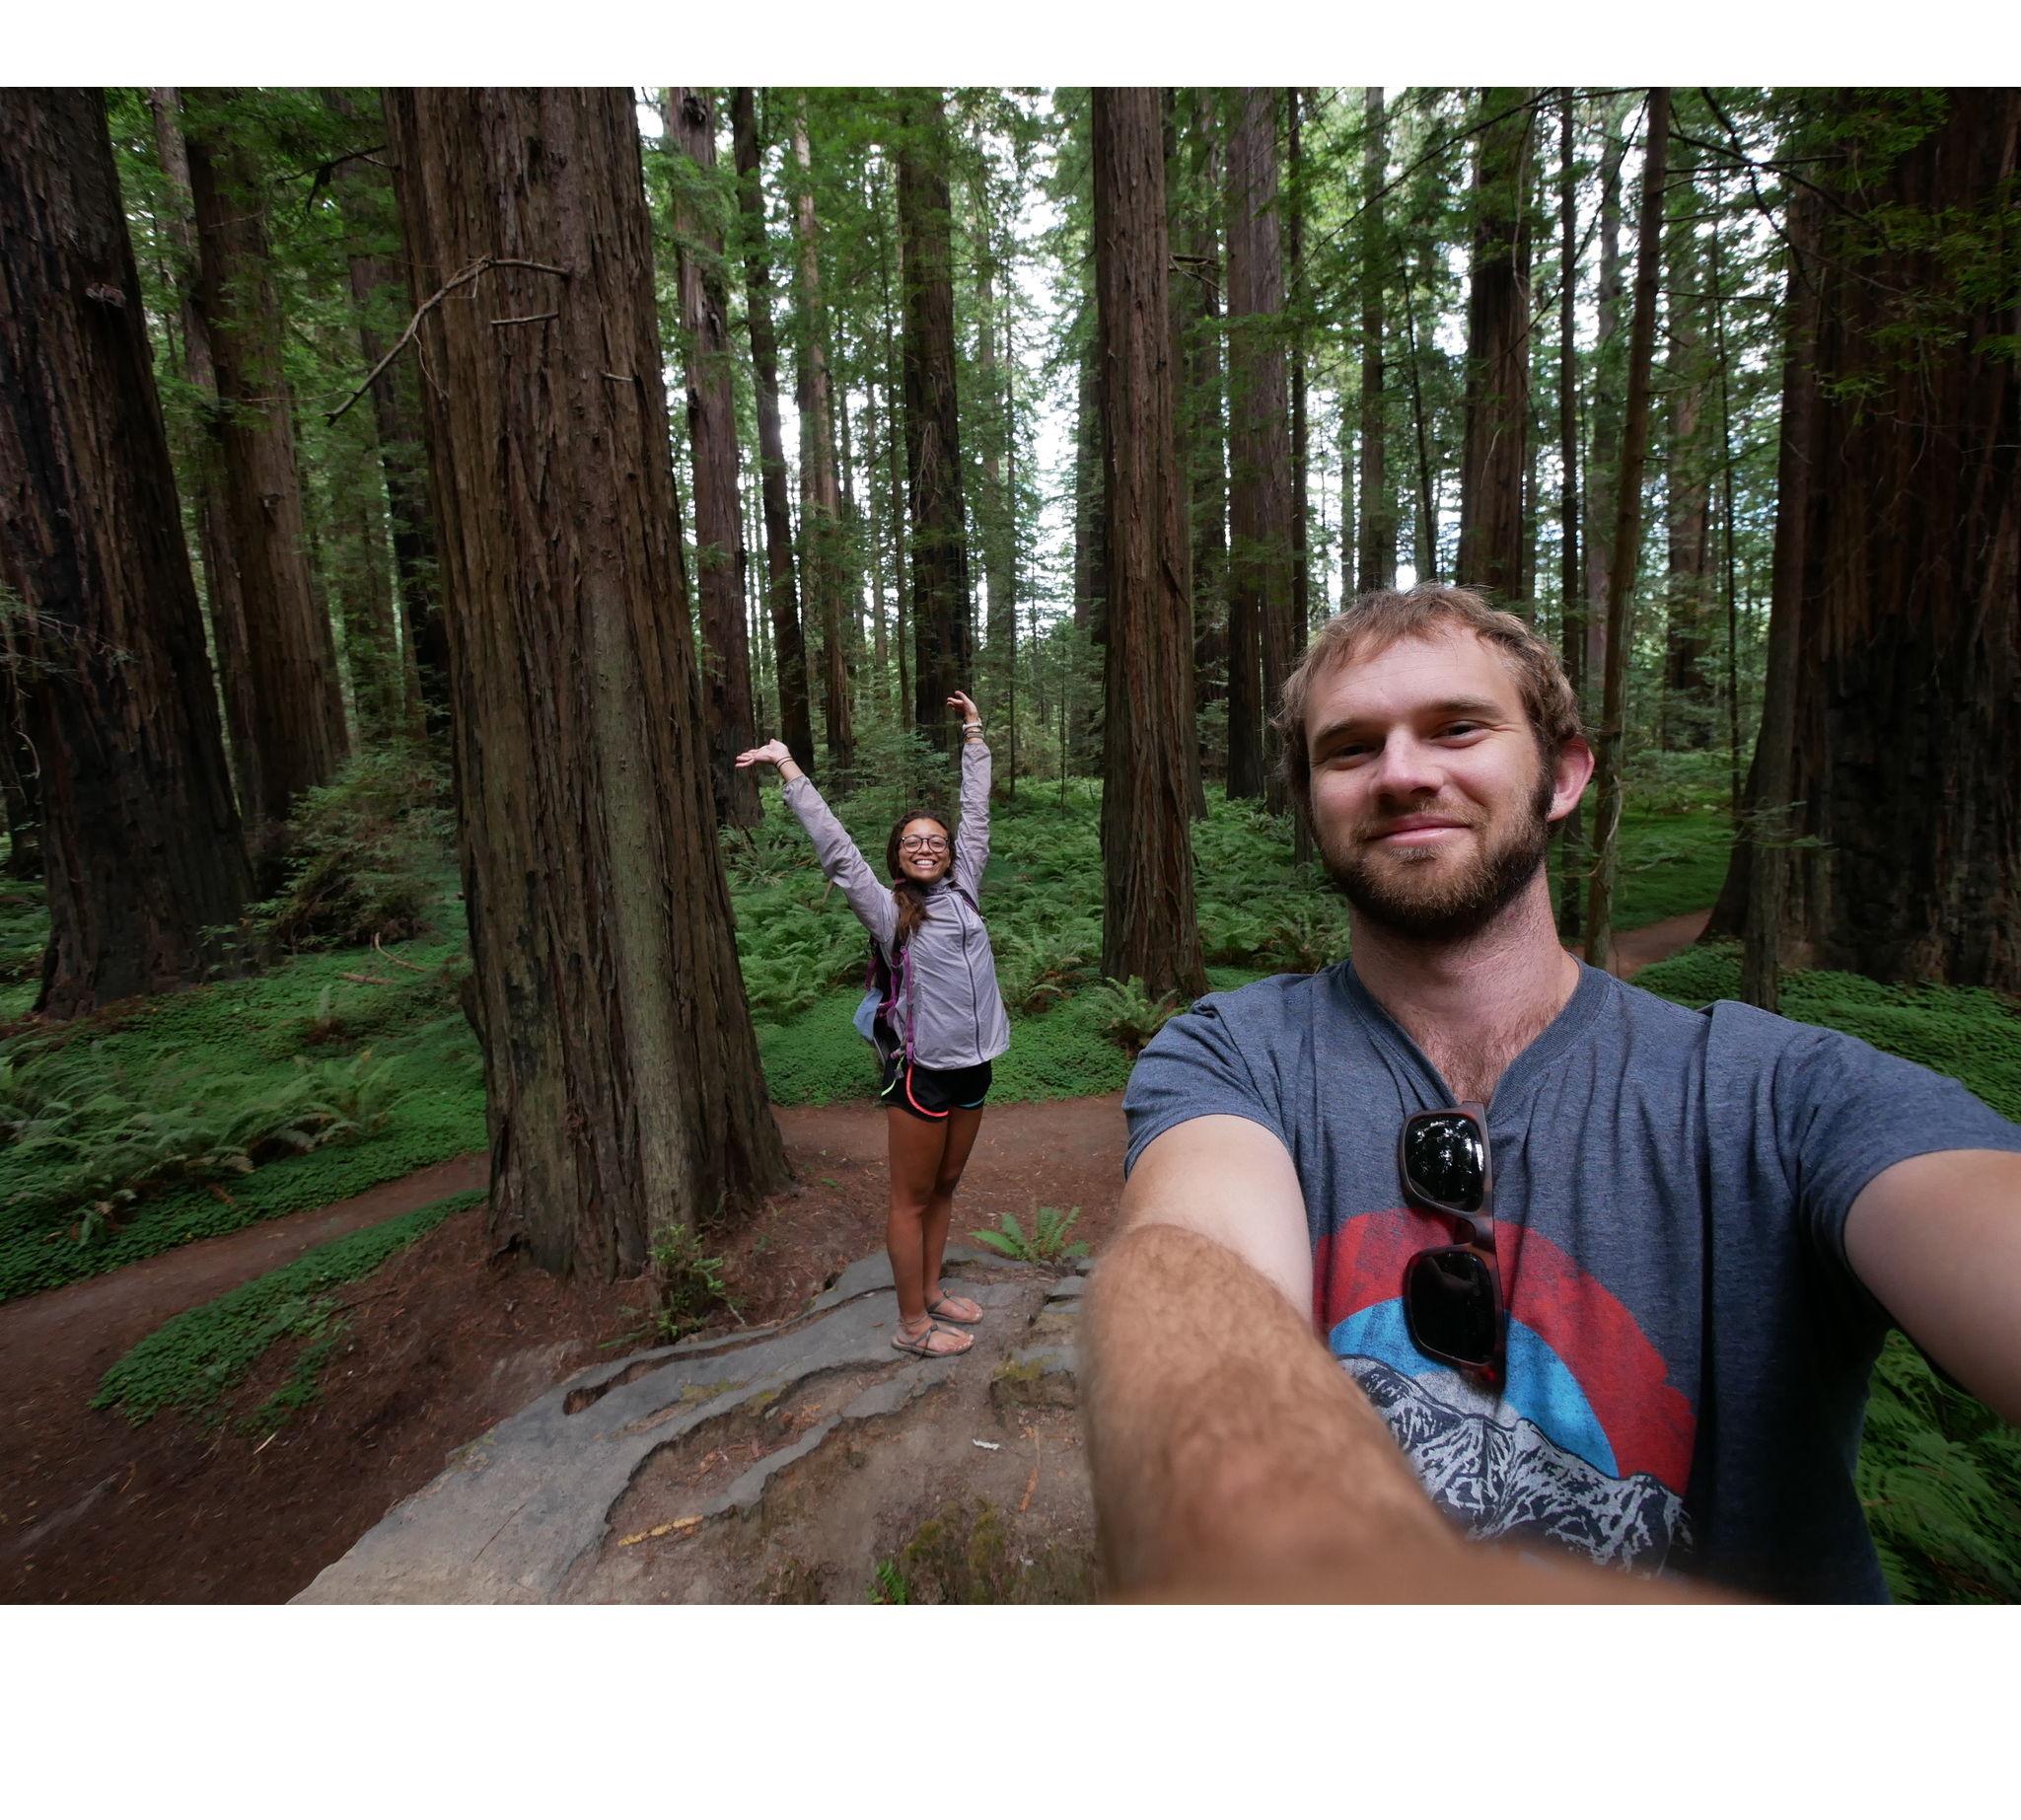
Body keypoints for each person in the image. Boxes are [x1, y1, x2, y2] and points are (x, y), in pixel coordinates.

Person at [1084, 584, 2021, 1602]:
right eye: (1349, 748)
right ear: (1312, 800)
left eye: (1457, 728)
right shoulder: (1232, 1055)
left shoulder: (1782, 1098)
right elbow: (1193, 1257)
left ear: (1563, 774)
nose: (1402, 772)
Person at [738, 691, 1010, 1359]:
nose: (927, 847)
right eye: (913, 842)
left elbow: (976, 813)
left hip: (976, 1064)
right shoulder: (888, 911)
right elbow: (836, 850)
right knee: (911, 1198)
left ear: (950, 853)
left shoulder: (965, 890)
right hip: (922, 1073)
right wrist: (789, 768)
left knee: (945, 1187)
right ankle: (911, 1324)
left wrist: (975, 735)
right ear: (897, 855)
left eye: (936, 841)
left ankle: (932, 1290)